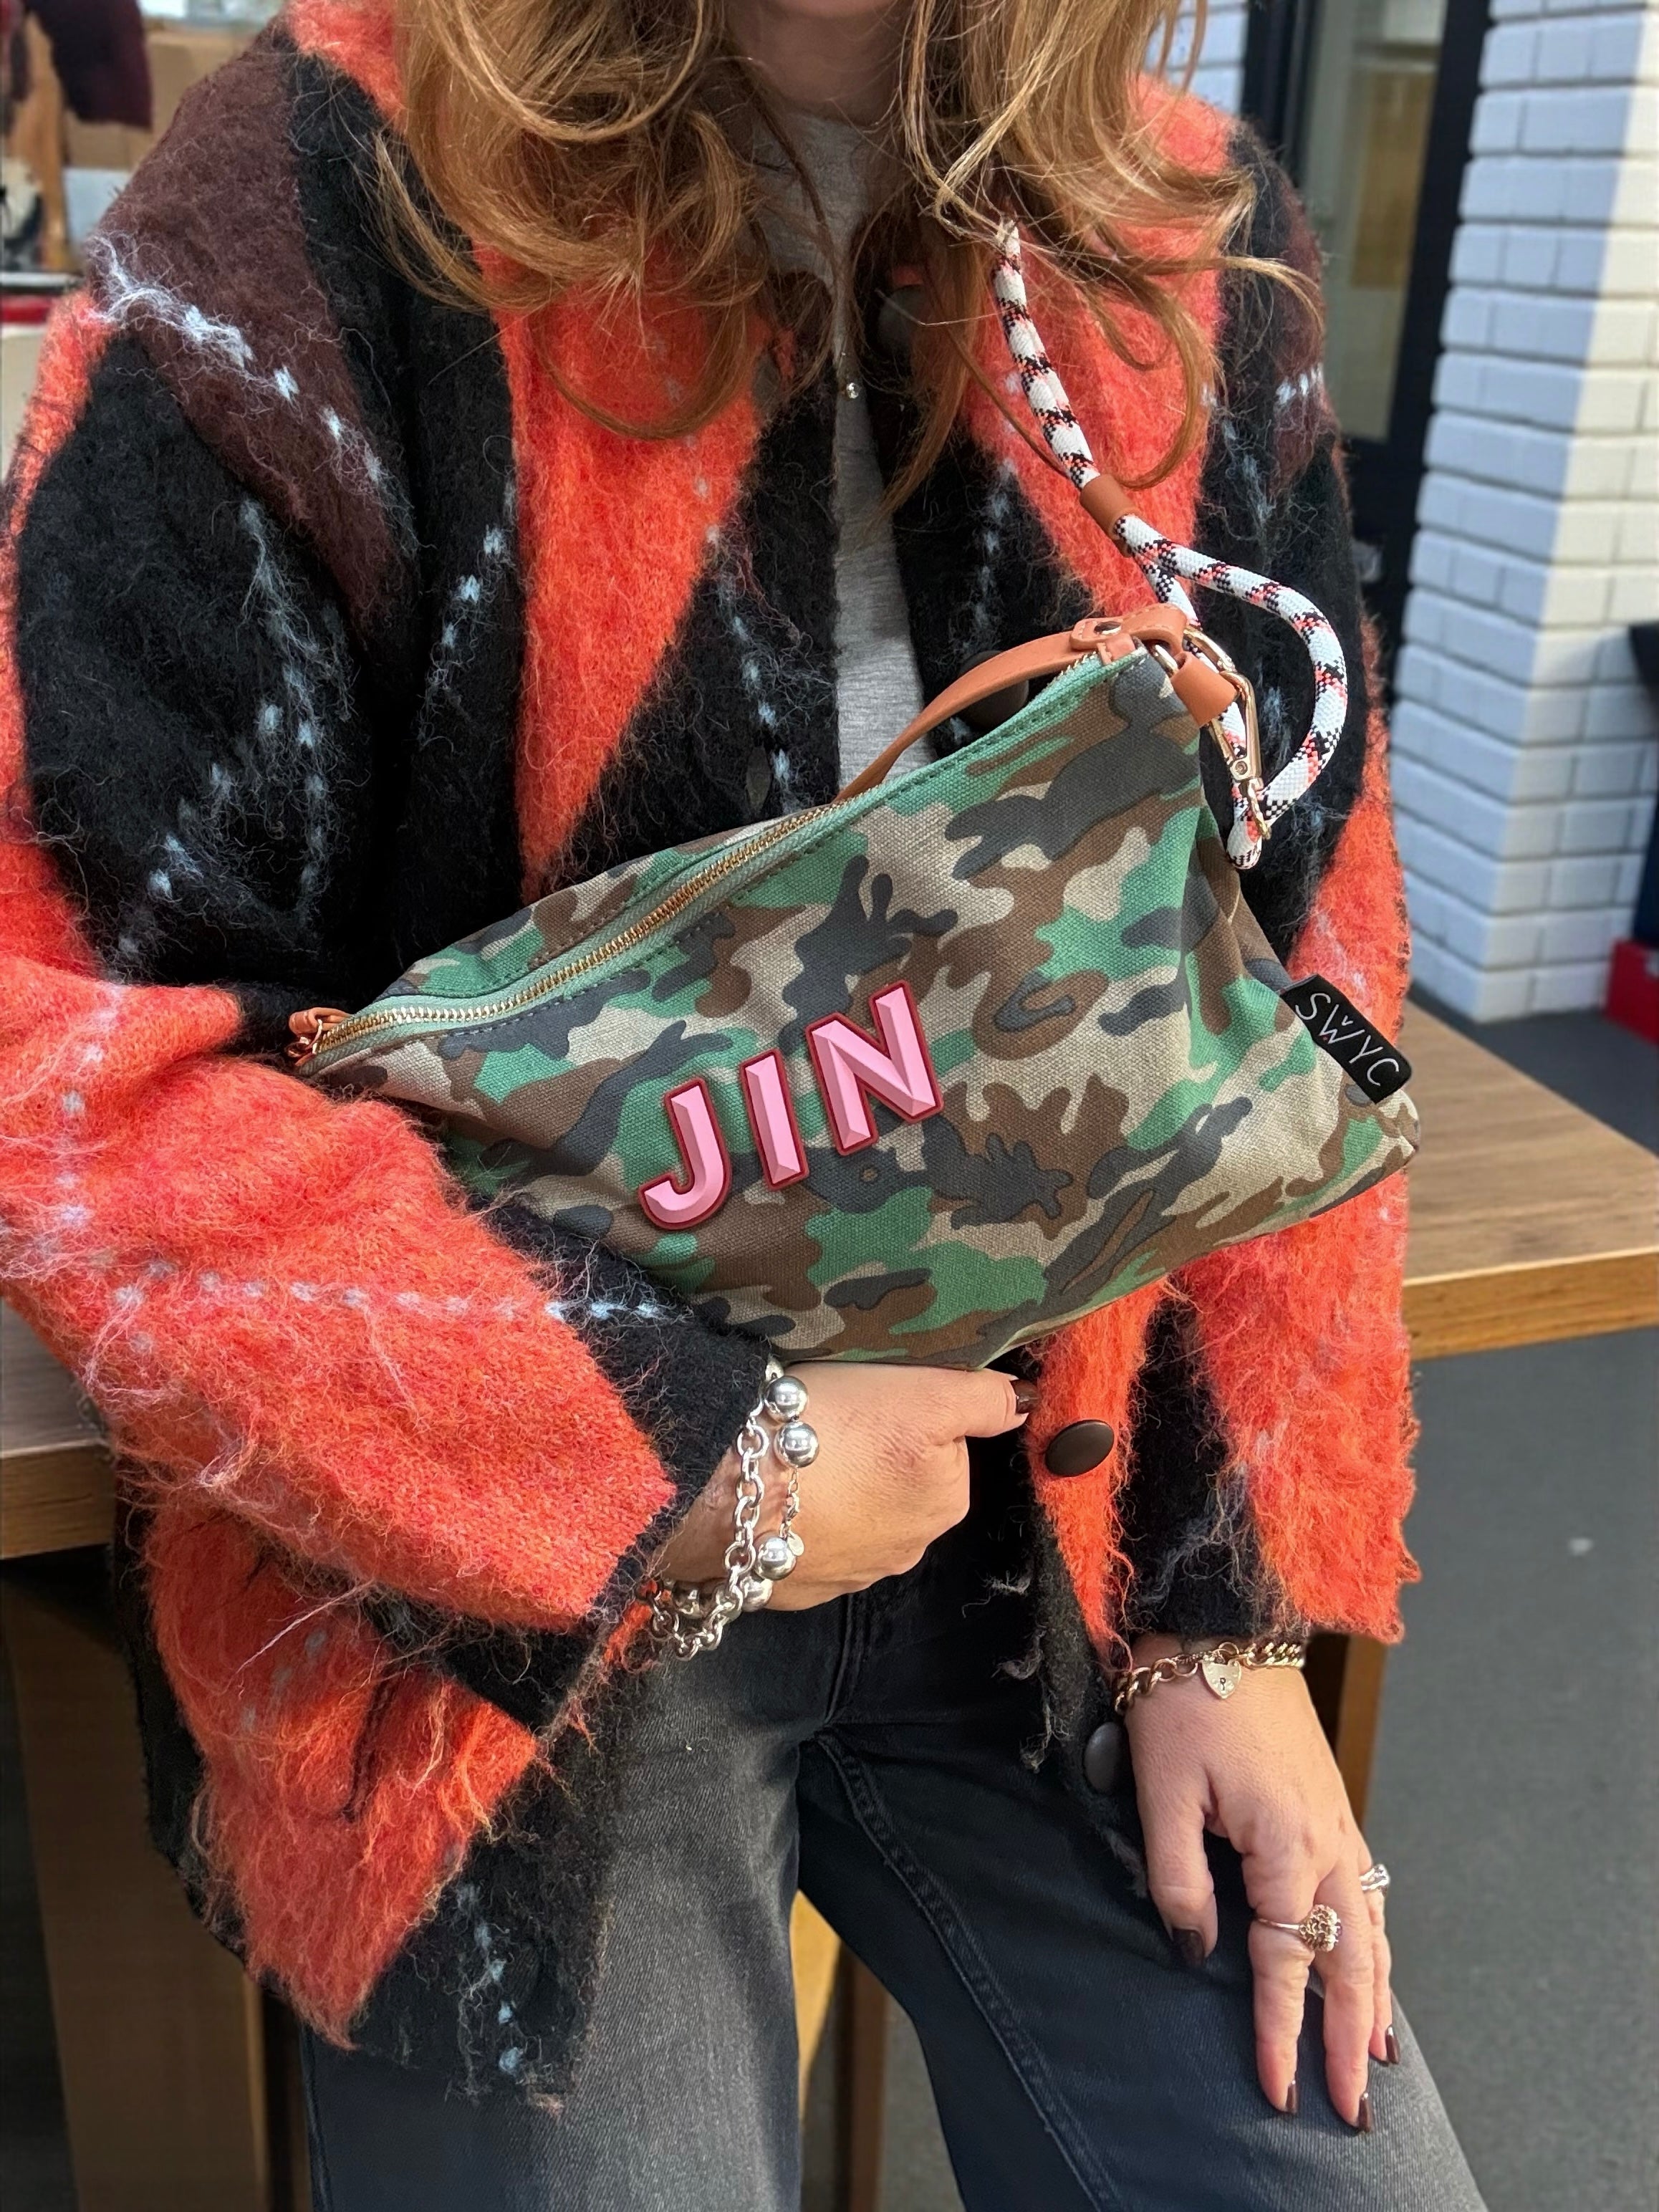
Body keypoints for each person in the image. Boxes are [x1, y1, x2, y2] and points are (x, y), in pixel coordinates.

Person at [0, 0, 1487, 2204]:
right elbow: (78, 1055)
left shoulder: (1181, 227)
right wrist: (701, 1461)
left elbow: (1287, 952)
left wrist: (1225, 1612)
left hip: (1062, 1513)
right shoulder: (307, 194)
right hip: (493, 1602)